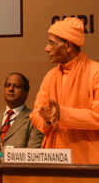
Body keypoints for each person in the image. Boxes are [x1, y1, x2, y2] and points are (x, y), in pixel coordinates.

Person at [30, 17, 99, 164]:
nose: (46, 48)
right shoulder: (50, 76)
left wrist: (63, 114)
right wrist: (48, 120)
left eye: (52, 43)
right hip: (53, 159)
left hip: (86, 160)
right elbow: (36, 113)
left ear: (68, 45)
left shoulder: (95, 72)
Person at [0, 73, 43, 161]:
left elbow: (32, 153)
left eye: (17, 86)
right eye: (8, 85)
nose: (11, 89)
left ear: (26, 93)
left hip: (16, 173)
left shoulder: (35, 119)